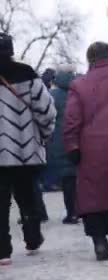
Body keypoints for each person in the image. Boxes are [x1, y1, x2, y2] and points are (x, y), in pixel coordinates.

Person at [62, 42, 108, 261]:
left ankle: (100, 242)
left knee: (93, 197)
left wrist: (72, 146)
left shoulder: (79, 84)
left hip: (91, 149)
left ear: (89, 59)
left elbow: (72, 120)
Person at [0, 33, 57, 266]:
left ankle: (3, 251)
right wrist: (45, 133)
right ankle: (32, 237)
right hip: (25, 149)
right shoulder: (27, 73)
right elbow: (46, 110)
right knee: (27, 194)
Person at [48, 65, 79, 225]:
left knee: (68, 180)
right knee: (81, 178)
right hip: (80, 140)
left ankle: (72, 213)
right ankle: (83, 210)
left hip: (61, 142)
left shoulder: (52, 96)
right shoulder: (80, 92)